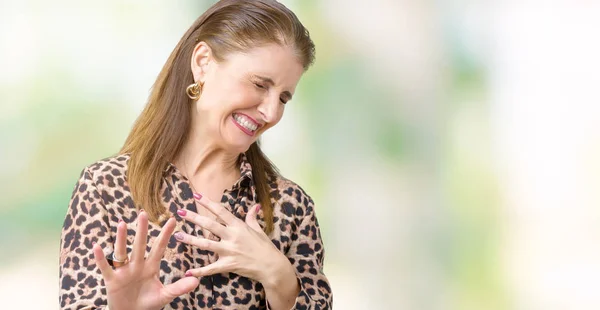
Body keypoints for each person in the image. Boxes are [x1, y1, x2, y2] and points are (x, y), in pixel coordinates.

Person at [58, 0, 332, 309]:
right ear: (202, 62)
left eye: (283, 97)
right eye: (260, 84)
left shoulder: (290, 206)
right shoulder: (104, 188)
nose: (271, 111)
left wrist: (279, 277)